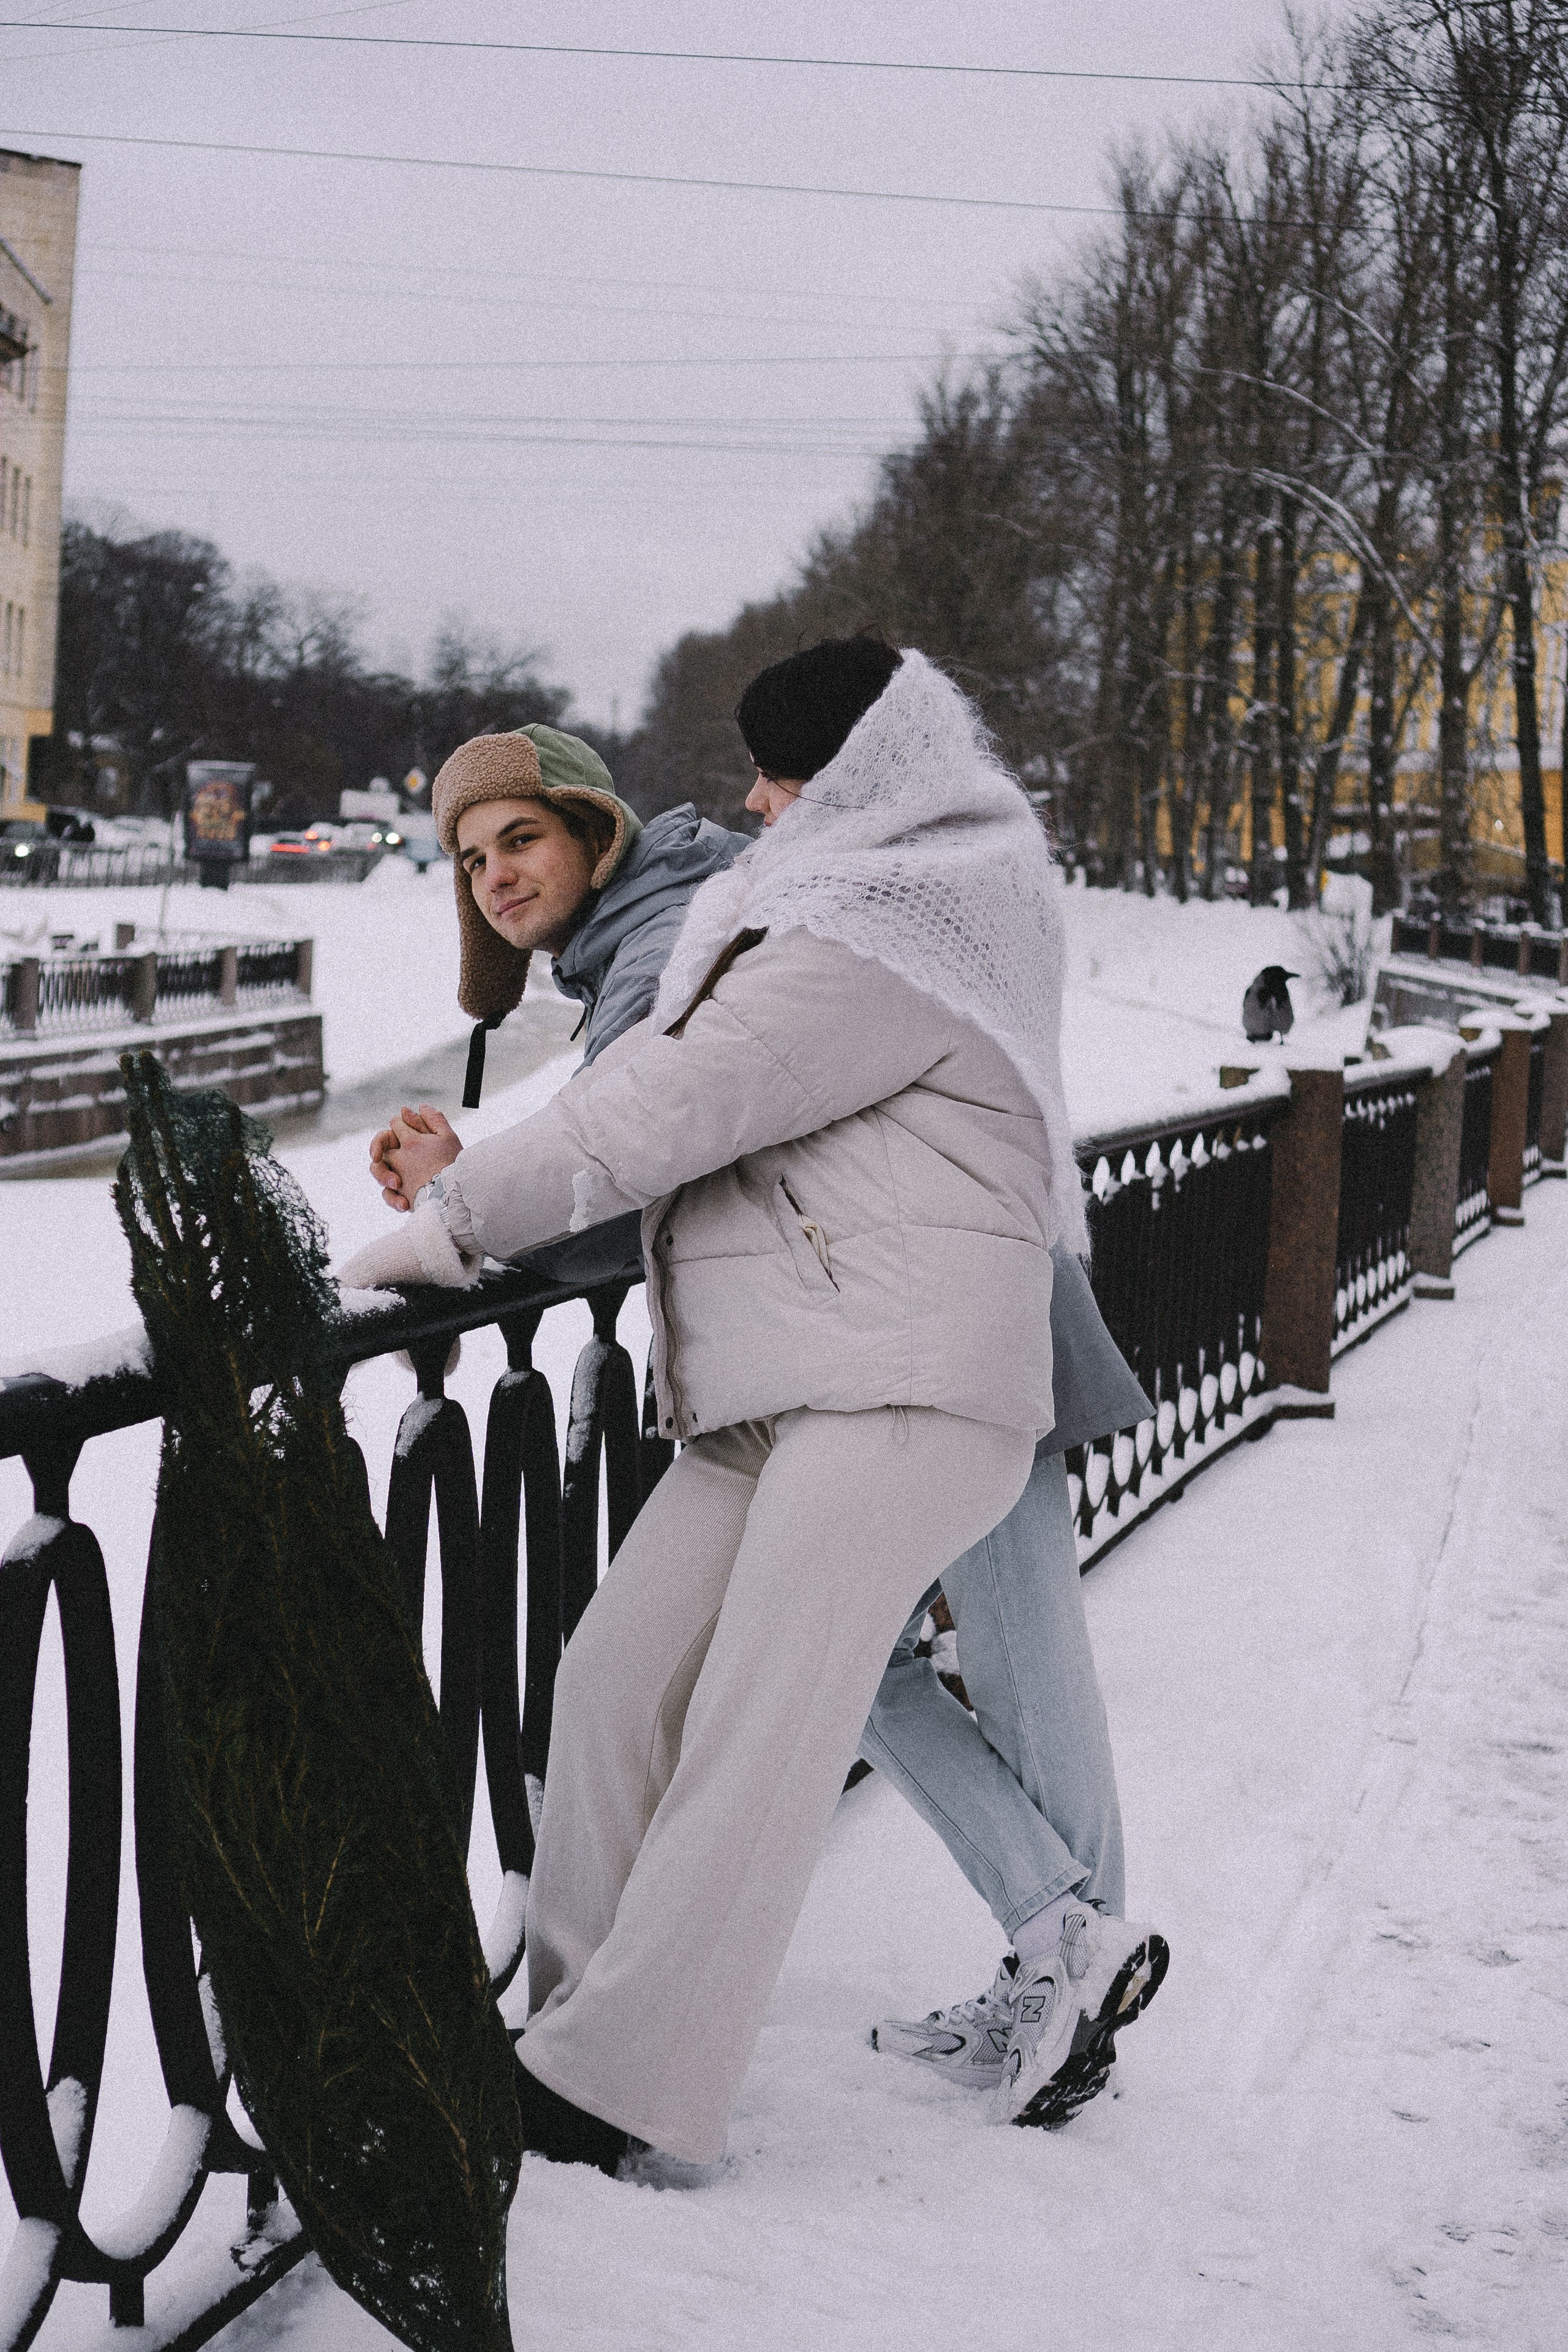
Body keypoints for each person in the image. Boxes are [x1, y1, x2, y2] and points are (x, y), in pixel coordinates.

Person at [346, 645, 1166, 2163]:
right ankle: (576, 2021)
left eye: (779, 772)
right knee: (611, 1685)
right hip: (789, 1363)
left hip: (902, 1372)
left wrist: (446, 1220)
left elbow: (668, 1101)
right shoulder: (840, 894)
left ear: (855, 776)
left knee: (758, 1728)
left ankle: (614, 2091)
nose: (750, 798)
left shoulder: (887, 917)